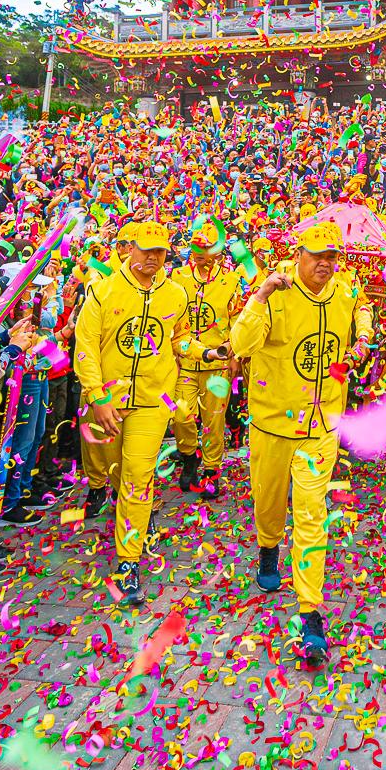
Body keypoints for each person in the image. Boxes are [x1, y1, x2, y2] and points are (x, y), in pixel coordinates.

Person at [229, 220, 371, 663]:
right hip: (273, 425)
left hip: (321, 428)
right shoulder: (276, 290)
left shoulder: (344, 291)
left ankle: (310, 614)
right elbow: (240, 343)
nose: (326, 264)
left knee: (311, 514)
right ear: (299, 254)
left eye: (333, 256)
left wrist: (363, 338)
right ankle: (268, 547)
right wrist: (260, 296)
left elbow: (361, 308)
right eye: (318, 256)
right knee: (269, 504)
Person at [71, 219, 192, 606]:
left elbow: (178, 338)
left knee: (139, 473)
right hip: (106, 401)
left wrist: (203, 351)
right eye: (147, 250)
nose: (154, 258)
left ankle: (129, 560)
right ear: (127, 248)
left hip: (152, 402)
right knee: (112, 467)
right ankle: (110, 497)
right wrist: (97, 395)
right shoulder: (102, 290)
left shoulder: (175, 294)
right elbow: (86, 343)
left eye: (161, 252)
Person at [171, 220, 240, 498]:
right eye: (197, 248)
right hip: (185, 362)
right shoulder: (177, 277)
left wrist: (234, 351)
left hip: (217, 364)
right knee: (181, 415)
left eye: (207, 249)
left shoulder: (231, 280)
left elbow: (238, 320)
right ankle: (189, 456)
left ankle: (212, 470)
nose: (200, 254)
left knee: (214, 420)